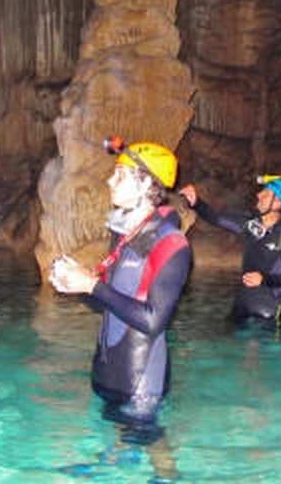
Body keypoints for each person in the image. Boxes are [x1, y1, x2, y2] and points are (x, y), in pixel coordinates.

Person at [49, 137, 191, 430]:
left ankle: (167, 475)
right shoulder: (124, 236)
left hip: (140, 381)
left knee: (149, 443)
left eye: (120, 175)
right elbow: (112, 302)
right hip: (109, 370)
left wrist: (92, 286)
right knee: (117, 442)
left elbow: (153, 320)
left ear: (144, 184)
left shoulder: (172, 243)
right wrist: (76, 286)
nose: (109, 180)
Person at [178, 175, 281, 324]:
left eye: (265, 192)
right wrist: (196, 202)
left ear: (277, 203)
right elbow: (217, 218)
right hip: (243, 305)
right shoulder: (250, 225)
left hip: (269, 310)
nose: (258, 195)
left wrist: (265, 279)